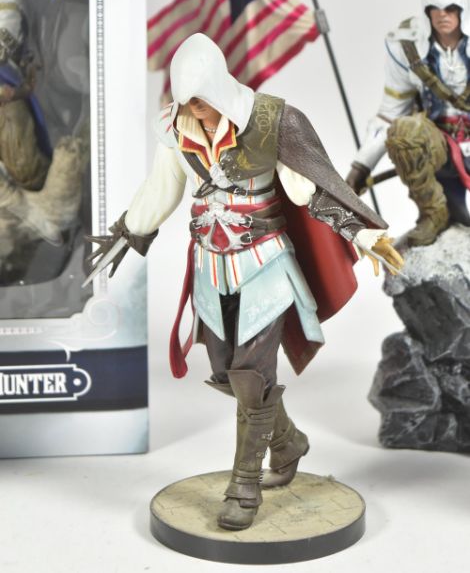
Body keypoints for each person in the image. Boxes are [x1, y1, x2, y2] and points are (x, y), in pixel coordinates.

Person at [88, 33, 403, 531]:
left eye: (201, 98)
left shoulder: (272, 122)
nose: (195, 109)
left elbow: (313, 188)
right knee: (224, 372)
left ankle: (245, 486)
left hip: (265, 265)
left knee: (252, 376)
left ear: (218, 86)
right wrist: (128, 231)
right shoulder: (175, 129)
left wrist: (364, 234)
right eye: (187, 100)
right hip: (211, 268)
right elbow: (162, 189)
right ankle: (288, 441)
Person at [347, 0, 470, 247]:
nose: (443, 15)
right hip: (441, 145)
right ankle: (435, 215)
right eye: (435, 8)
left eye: (450, 8)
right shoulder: (407, 46)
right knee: (404, 133)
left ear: (462, 7)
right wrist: (359, 168)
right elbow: (389, 114)